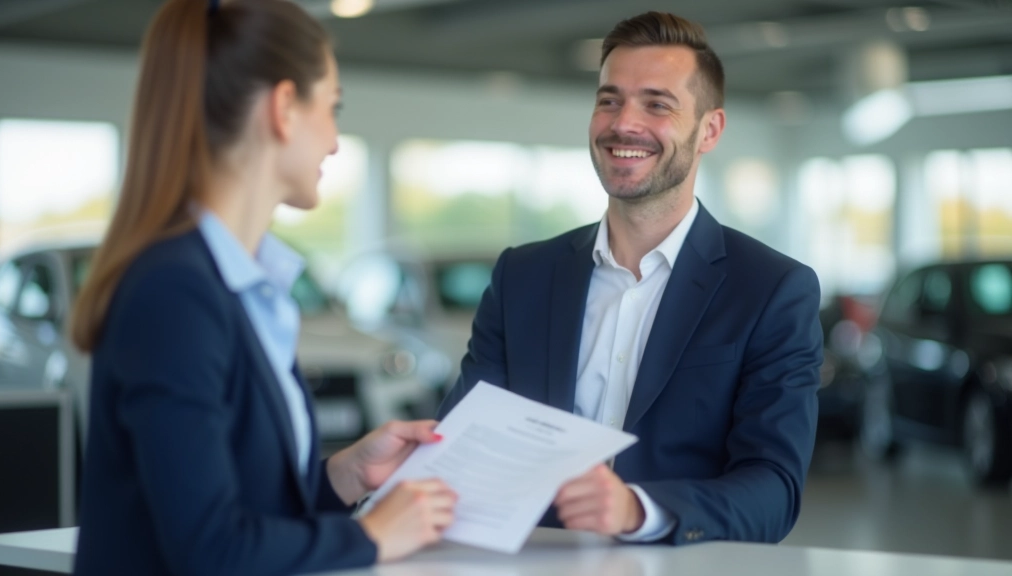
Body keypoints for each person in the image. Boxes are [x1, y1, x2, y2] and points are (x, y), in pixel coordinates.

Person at [70, 1, 456, 574]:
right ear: (283, 109)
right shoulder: (175, 290)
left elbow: (246, 507)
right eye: (332, 107)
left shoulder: (245, 287)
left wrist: (343, 475)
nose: (333, 141)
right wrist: (373, 536)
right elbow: (210, 547)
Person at [438, 11, 822, 546]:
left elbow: (773, 491)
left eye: (657, 104)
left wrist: (636, 510)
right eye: (609, 100)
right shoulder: (521, 277)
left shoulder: (771, 290)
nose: (624, 124)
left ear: (709, 129)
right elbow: (464, 447)